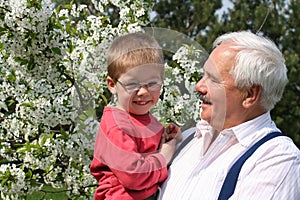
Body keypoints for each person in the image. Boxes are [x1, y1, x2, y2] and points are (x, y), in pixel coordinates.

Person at [159, 31, 300, 199]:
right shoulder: (186, 139)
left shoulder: (276, 159)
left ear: (249, 94)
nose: (198, 86)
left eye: (214, 79)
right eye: (204, 75)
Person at [90, 33, 182, 200]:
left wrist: (168, 137)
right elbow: (134, 175)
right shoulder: (116, 126)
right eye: (132, 84)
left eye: (152, 83)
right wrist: (164, 156)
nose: (144, 92)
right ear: (112, 85)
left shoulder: (146, 119)